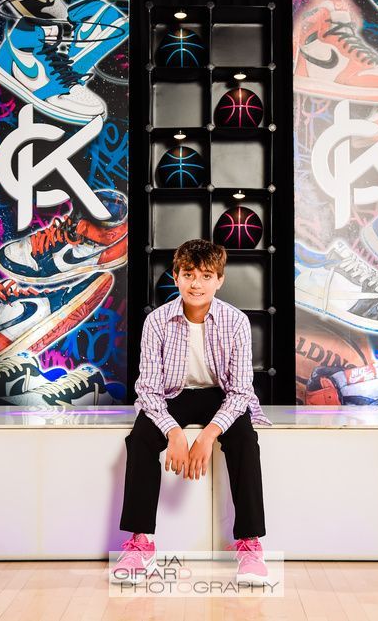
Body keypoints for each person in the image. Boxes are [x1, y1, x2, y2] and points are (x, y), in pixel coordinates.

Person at [110, 239, 272, 584]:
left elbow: (241, 390)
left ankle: (249, 543)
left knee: (244, 438)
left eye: (206, 275)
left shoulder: (236, 321)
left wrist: (209, 434)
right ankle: (141, 543)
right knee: (140, 438)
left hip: (222, 395)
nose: (196, 283)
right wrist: (174, 432)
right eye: (188, 274)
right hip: (173, 395)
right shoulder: (157, 321)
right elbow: (149, 389)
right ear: (176, 277)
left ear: (220, 280)